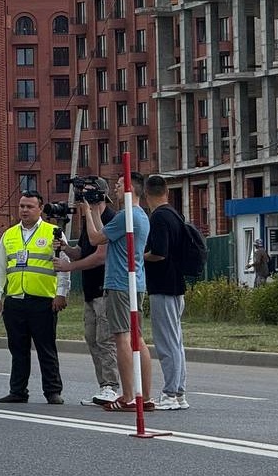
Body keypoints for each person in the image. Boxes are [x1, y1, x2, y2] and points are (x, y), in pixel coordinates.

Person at [0, 190, 69, 405]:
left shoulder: (53, 233)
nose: (24, 210)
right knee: (17, 348)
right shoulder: (9, 234)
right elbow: (0, 267)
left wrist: (61, 293)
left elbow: (63, 265)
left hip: (43, 300)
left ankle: (52, 391)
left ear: (40, 209)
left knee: (46, 348)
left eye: (30, 206)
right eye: (22, 206)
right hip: (15, 299)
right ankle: (17, 391)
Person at [82, 172, 153, 412]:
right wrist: (95, 210)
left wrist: (86, 211)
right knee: (137, 338)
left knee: (122, 338)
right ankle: (145, 395)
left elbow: (95, 239)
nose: (116, 188)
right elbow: (106, 235)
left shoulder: (126, 215)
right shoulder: (140, 215)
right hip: (135, 282)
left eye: (120, 184)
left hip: (119, 283)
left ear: (131, 188)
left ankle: (129, 395)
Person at [53, 177, 120, 407]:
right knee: (92, 339)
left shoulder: (110, 218)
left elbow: (101, 256)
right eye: (83, 194)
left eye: (90, 193)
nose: (85, 198)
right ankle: (103, 386)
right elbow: (82, 251)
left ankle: (112, 386)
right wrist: (66, 249)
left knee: (105, 340)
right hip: (90, 290)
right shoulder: (88, 220)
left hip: (105, 289)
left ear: (102, 195)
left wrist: (69, 267)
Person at [142, 174, 189, 411]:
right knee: (176, 341)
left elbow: (159, 253)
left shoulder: (159, 217)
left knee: (166, 343)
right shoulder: (174, 214)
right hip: (176, 284)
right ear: (167, 191)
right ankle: (178, 392)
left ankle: (170, 393)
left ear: (146, 194)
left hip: (163, 286)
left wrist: (139, 257)